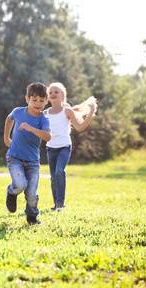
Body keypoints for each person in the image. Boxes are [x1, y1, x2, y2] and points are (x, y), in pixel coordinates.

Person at [4, 82, 51, 225]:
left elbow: (47, 137)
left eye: (42, 100)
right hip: (15, 157)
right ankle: (12, 192)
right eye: (34, 100)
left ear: (46, 101)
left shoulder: (43, 119)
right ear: (27, 99)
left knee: (31, 193)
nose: (38, 103)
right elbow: (9, 119)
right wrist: (7, 137)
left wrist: (31, 128)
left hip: (33, 162)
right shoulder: (18, 111)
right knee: (20, 185)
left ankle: (32, 216)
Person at [45, 82, 97, 211]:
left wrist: (90, 113)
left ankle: (60, 204)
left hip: (64, 147)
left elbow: (80, 127)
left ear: (63, 95)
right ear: (47, 97)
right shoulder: (45, 113)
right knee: (52, 178)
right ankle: (56, 204)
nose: (53, 94)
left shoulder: (67, 111)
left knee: (59, 172)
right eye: (50, 92)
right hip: (50, 148)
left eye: (56, 92)